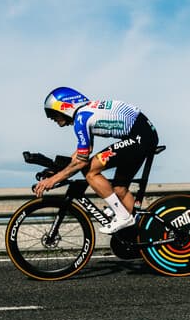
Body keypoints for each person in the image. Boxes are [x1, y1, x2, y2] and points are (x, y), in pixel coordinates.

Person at [34, 87, 159, 234]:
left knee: (89, 171)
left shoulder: (81, 118)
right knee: (119, 189)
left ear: (64, 107)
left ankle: (122, 216)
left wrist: (53, 180)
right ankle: (141, 236)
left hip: (138, 138)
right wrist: (58, 171)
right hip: (142, 136)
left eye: (53, 114)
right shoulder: (86, 112)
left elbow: (81, 162)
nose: (53, 119)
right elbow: (82, 153)